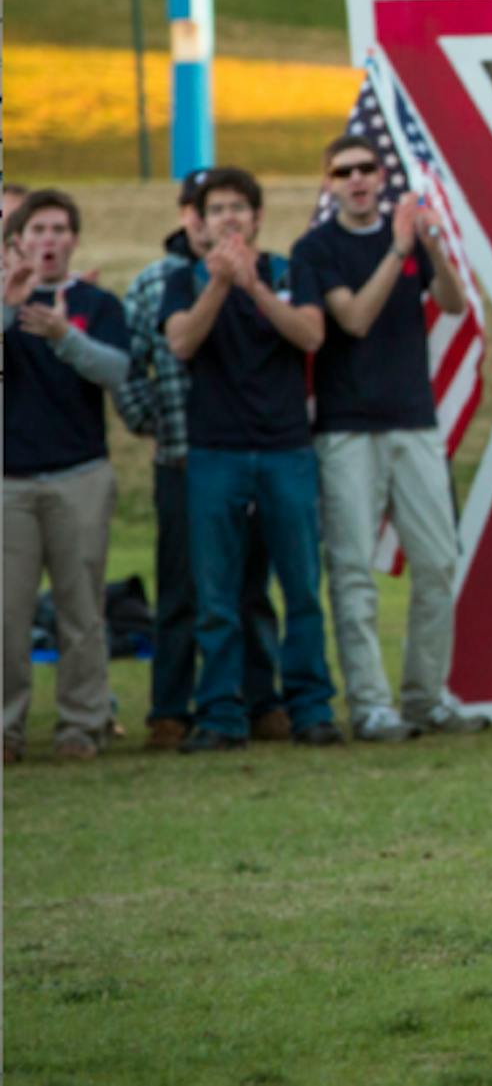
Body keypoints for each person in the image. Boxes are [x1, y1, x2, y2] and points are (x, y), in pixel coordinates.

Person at [289, 135, 487, 740]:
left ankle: (427, 696)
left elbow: (452, 303)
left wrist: (430, 245)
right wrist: (397, 249)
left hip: (415, 420)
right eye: (343, 172)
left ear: (382, 177)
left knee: (438, 562)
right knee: (352, 569)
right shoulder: (315, 249)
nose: (356, 180)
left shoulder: (409, 238)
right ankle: (372, 704)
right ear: (328, 183)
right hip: (347, 429)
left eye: (366, 169)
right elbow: (352, 318)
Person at [159, 168, 343, 752]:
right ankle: (220, 714)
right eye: (218, 210)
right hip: (215, 453)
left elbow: (311, 335)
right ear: (201, 221)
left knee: (301, 588)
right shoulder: (184, 280)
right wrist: (219, 284)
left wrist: (255, 288)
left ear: (258, 217)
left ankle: (310, 706)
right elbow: (182, 342)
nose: (230, 218)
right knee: (217, 596)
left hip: (286, 449)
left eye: (240, 208)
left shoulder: (289, 272)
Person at [116, 170, 288, 750]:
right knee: (183, 591)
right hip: (180, 459)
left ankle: (261, 699)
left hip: (247, 449)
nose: (209, 219)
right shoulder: (156, 284)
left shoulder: (263, 275)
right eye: (198, 208)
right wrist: (152, 424)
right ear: (189, 215)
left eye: (224, 207)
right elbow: (131, 366)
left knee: (250, 589)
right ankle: (170, 706)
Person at [3, 190, 128, 764]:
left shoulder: (96, 304)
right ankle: (7, 728)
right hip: (11, 482)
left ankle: (83, 723)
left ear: (73, 240)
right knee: (9, 612)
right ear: (17, 241)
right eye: (38, 230)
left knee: (82, 609)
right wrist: (9, 309)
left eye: (59, 230)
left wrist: (63, 336)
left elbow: (118, 370)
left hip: (80, 474)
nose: (48, 240)